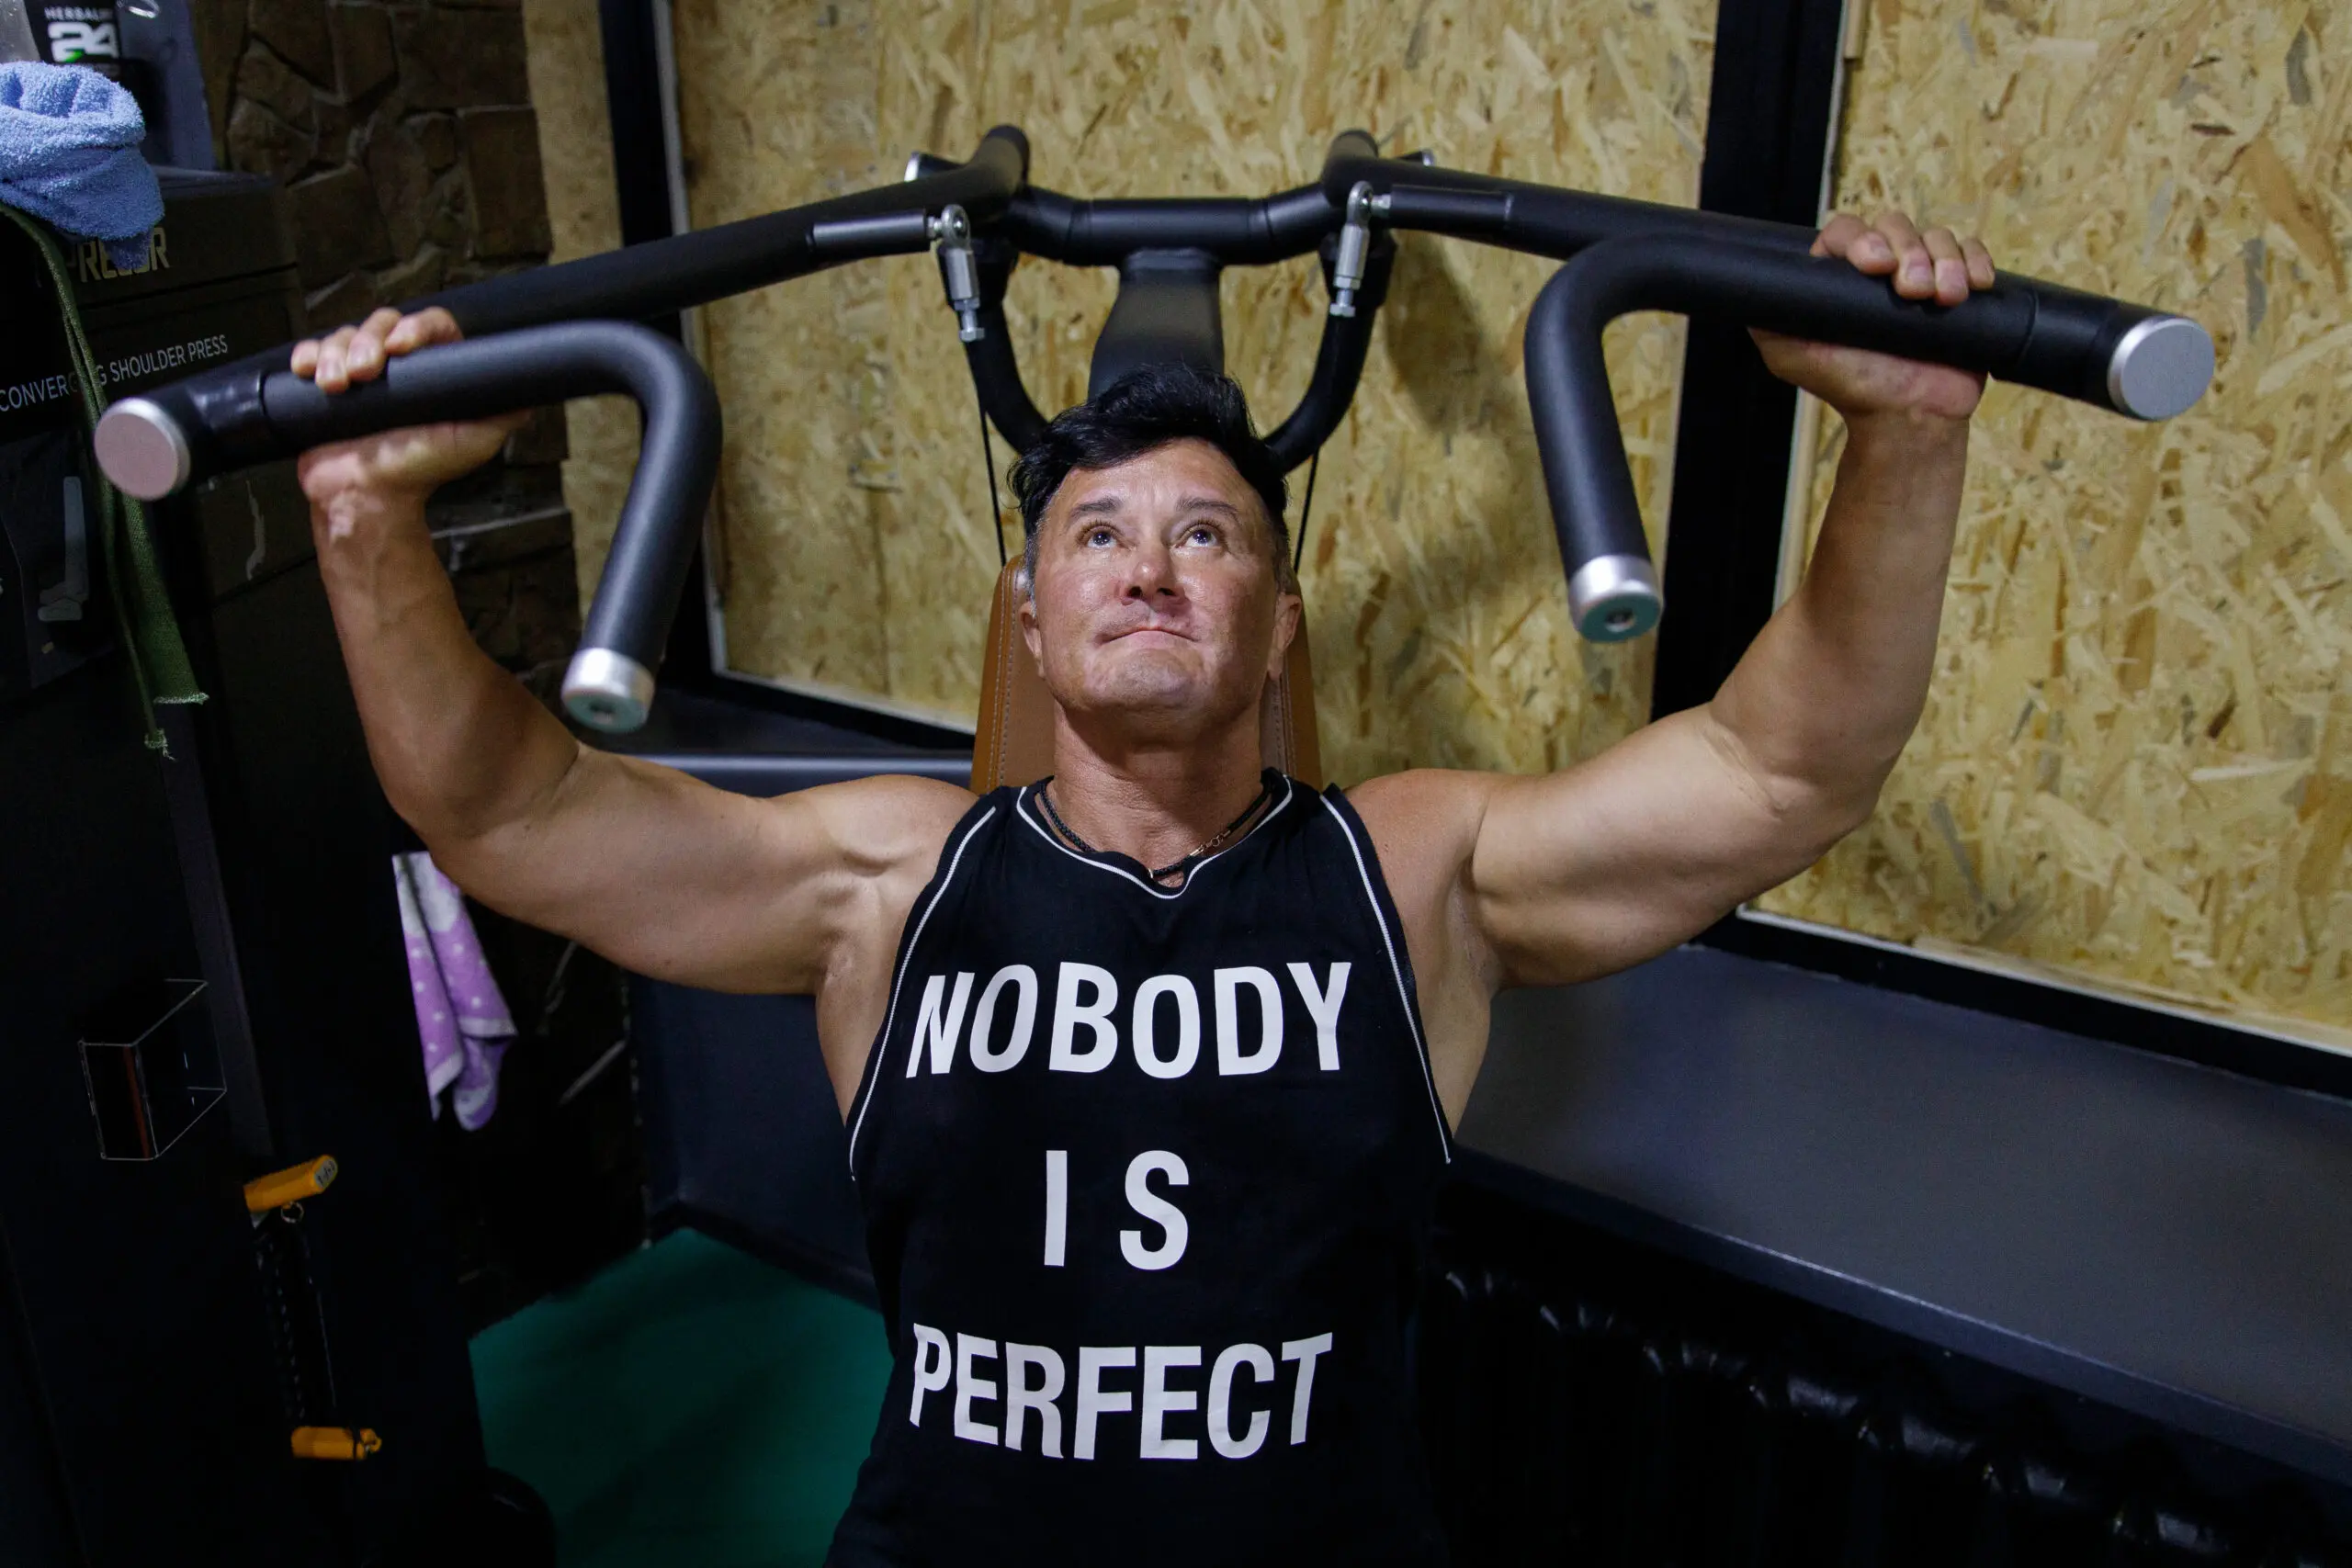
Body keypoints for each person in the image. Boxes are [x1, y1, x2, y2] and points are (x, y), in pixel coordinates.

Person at [292, 208, 1997, 1565]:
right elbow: (505, 811)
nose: (1152, 566)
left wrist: (1904, 432)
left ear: (1277, 626)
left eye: (1209, 535)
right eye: (1098, 534)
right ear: (1032, 622)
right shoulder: (888, 880)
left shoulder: (1416, 870)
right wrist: (366, 519)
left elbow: (1785, 768)